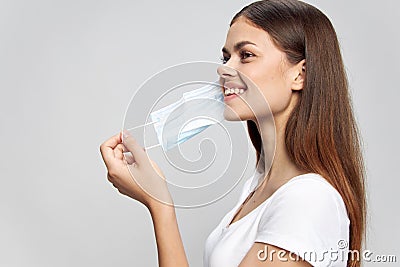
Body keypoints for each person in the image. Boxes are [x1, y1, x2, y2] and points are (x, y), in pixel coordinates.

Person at [100, 0, 366, 266]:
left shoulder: (308, 200)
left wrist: (160, 206)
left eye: (246, 55)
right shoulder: (258, 186)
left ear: (300, 75)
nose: (224, 68)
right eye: (226, 57)